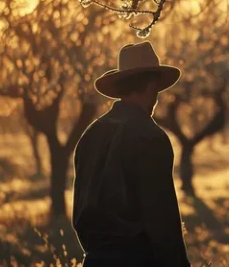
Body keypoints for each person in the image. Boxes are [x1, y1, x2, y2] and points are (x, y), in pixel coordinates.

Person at [72, 41, 191, 267]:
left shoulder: (91, 135)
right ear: (151, 86)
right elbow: (162, 222)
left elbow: (80, 210)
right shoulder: (151, 138)